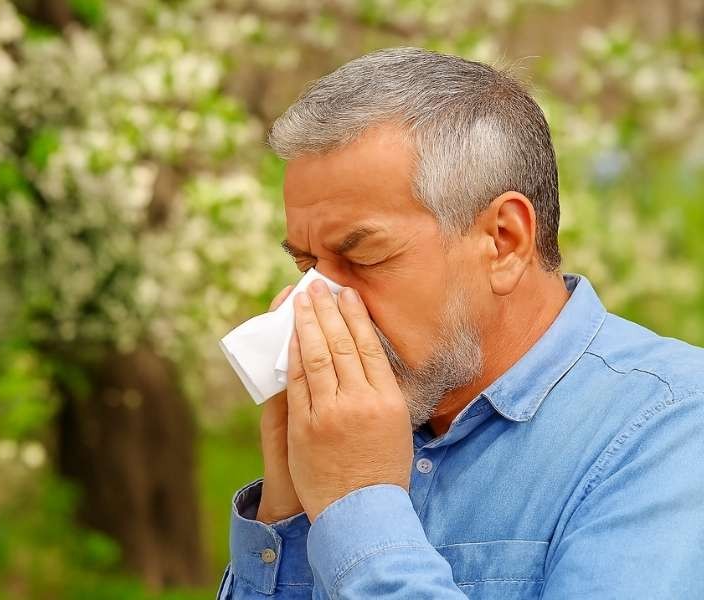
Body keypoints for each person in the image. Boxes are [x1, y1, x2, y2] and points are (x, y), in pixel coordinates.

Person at [216, 47, 704, 599]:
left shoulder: (673, 427)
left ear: (504, 242)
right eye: (306, 265)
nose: (318, 305)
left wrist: (360, 506)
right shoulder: (358, 428)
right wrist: (290, 513)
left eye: (363, 259)